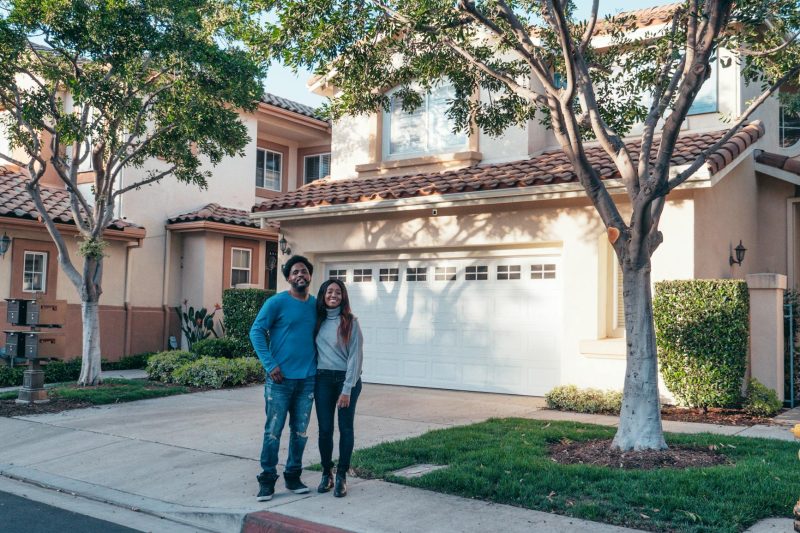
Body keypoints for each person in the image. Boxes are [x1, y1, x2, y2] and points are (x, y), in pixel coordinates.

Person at [249, 255, 317, 502]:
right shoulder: (276, 302)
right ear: (288, 278)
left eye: (304, 271)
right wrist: (270, 364)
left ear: (310, 276)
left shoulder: (315, 305)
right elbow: (256, 331)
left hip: (308, 380)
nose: (300, 275)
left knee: (300, 432)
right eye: (295, 272)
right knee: (273, 432)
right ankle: (267, 480)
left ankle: (293, 476)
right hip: (279, 380)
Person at [313, 279, 364, 498]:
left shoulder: (351, 321)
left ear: (343, 297)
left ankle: (342, 475)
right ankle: (327, 473)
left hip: (347, 380)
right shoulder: (317, 320)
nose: (333, 295)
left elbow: (355, 357)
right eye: (329, 291)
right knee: (325, 430)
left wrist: (346, 390)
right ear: (323, 294)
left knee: (346, 428)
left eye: (338, 292)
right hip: (322, 379)